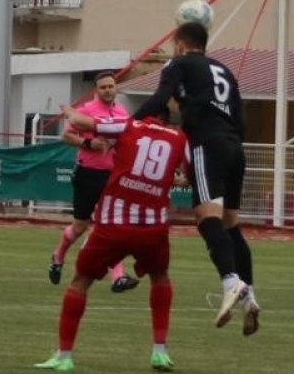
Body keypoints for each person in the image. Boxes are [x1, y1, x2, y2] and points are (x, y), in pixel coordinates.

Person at [35, 107, 188, 372]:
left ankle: (64, 356)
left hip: (113, 223)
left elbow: (80, 122)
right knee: (160, 277)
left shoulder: (129, 125)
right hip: (152, 227)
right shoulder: (178, 138)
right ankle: (160, 352)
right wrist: (172, 179)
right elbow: (190, 178)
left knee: (80, 281)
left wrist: (70, 111)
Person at [133, 21, 259, 335]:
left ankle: (231, 283)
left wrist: (130, 124)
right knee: (231, 223)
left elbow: (160, 99)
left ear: (179, 44)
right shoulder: (224, 70)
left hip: (208, 143)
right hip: (235, 146)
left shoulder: (178, 63)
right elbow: (241, 115)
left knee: (205, 217)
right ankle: (250, 296)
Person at [50, 71, 138, 293]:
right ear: (96, 90)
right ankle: (58, 256)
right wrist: (88, 144)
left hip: (112, 176)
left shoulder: (121, 112)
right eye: (103, 87)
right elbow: (66, 136)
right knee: (80, 226)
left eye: (111, 86)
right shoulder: (86, 111)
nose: (108, 90)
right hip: (88, 173)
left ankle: (117, 276)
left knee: (109, 226)